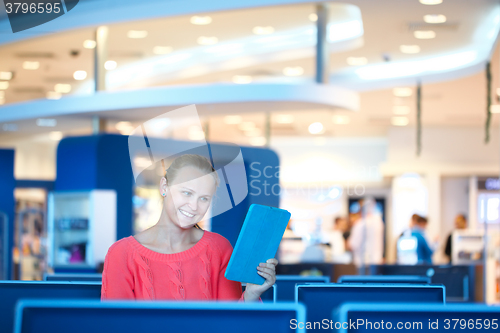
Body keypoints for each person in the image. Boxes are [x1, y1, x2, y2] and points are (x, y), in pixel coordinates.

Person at [101, 154, 277, 301]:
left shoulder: (219, 249)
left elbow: (230, 322)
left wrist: (251, 294)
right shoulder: (121, 253)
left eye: (203, 198)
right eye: (186, 193)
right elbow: (114, 324)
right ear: (164, 187)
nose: (194, 206)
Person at [347, 198, 384, 267]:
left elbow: (353, 245)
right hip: (377, 262)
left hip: (362, 264)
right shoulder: (379, 222)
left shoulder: (360, 224)